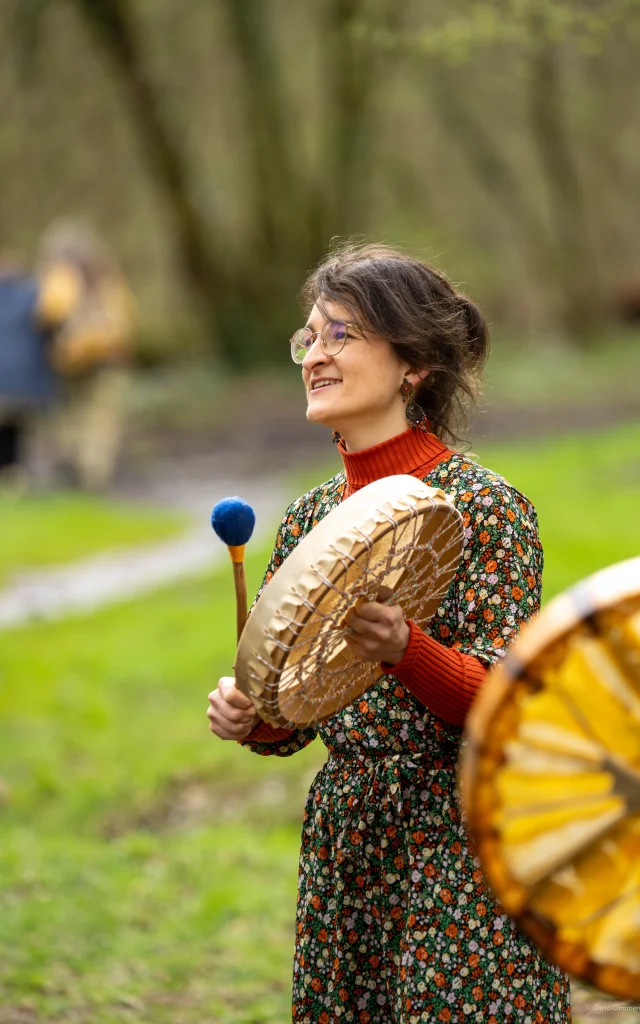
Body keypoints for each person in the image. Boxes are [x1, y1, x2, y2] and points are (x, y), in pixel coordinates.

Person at [207, 243, 571, 1023]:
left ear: (414, 365)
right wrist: (252, 718)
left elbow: (512, 705)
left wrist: (407, 651)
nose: (315, 355)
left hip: (463, 832)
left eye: (340, 334)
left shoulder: (486, 508)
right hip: (351, 834)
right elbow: (293, 712)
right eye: (308, 338)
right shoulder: (309, 519)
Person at [36, 221, 135, 491]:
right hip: (105, 360)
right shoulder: (105, 277)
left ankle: (76, 473)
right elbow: (122, 323)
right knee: (99, 420)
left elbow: (48, 312)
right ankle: (92, 476)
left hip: (71, 359)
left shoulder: (58, 276)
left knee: (72, 417)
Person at [0, 253, 58, 489]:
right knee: (18, 426)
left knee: (6, 426)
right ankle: (15, 474)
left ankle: (8, 473)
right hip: (26, 381)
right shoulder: (33, 296)